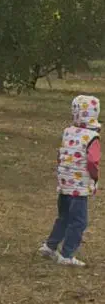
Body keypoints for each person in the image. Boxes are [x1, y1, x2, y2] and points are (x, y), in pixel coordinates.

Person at [39, 93, 100, 267]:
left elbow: (61, 154)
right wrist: (94, 179)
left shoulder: (68, 132)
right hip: (79, 187)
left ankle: (50, 246)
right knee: (79, 221)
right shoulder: (92, 137)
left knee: (63, 216)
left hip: (65, 182)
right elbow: (93, 161)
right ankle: (67, 254)